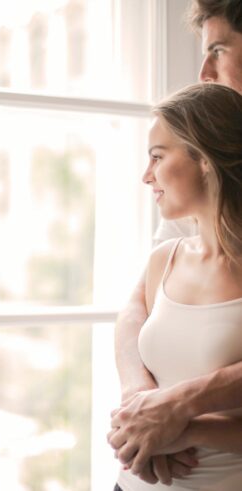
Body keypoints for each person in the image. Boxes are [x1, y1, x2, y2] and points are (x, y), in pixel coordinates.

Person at [109, 0, 242, 488]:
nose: (206, 71)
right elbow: (132, 313)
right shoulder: (168, 255)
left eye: (218, 49)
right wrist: (138, 408)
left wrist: (178, 419)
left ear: (205, 160)